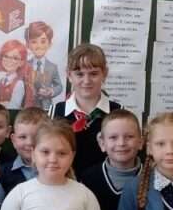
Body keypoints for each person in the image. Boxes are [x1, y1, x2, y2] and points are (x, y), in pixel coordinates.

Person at [48, 44, 122, 176]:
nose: (86, 81)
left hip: (105, 185)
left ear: (104, 74)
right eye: (79, 74)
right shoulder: (55, 112)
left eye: (93, 74)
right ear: (69, 75)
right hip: (64, 183)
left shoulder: (118, 112)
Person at [0, 107, 46, 194]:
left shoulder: (55, 169)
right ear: (14, 140)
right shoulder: (2, 173)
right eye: (23, 137)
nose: (29, 143)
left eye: (36, 137)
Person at [24, 21, 63, 111]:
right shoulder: (24, 66)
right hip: (27, 108)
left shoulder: (52, 67)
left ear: (49, 44)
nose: (39, 46)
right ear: (28, 45)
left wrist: (51, 91)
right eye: (34, 42)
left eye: (43, 41)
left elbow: (59, 86)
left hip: (46, 107)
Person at [0, 40, 34, 109]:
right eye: (6, 56)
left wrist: (0, 104)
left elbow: (14, 106)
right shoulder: (2, 81)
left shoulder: (19, 83)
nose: (9, 60)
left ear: (21, 62)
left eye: (15, 58)